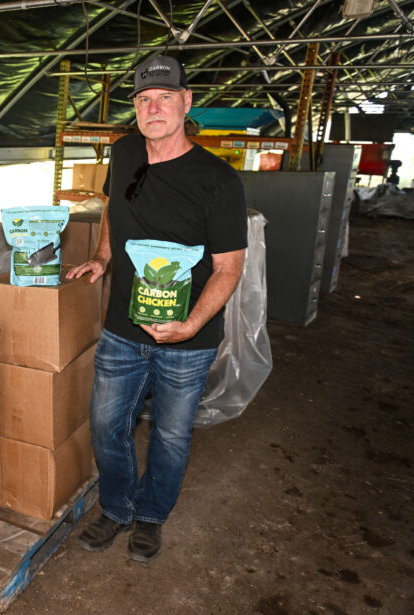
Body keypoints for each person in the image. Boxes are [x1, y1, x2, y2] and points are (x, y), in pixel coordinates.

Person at [67, 55, 248, 563]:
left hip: (187, 341)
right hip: (123, 329)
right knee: (106, 425)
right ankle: (118, 507)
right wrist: (103, 257)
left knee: (169, 436)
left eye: (165, 97)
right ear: (135, 109)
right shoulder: (124, 152)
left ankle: (150, 516)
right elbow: (112, 208)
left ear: (186, 103)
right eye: (144, 99)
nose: (154, 107)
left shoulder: (218, 180)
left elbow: (229, 268)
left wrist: (189, 324)